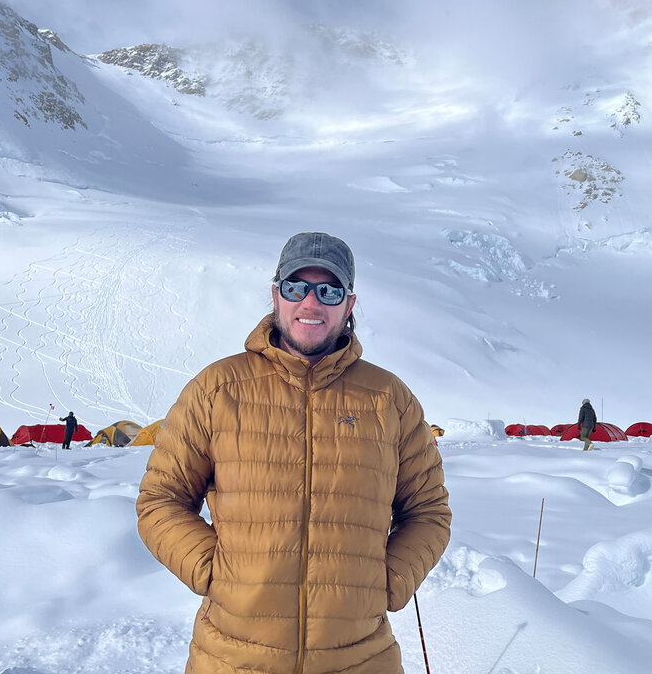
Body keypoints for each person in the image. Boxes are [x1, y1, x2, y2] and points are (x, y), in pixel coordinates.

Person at [137, 232, 451, 674]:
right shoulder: (217, 389)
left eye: (328, 290)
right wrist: (215, 572)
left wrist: (387, 584)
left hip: (359, 659)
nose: (310, 302)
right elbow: (160, 501)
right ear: (275, 294)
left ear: (349, 304)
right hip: (232, 658)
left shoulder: (389, 400)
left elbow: (429, 511)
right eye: (296, 287)